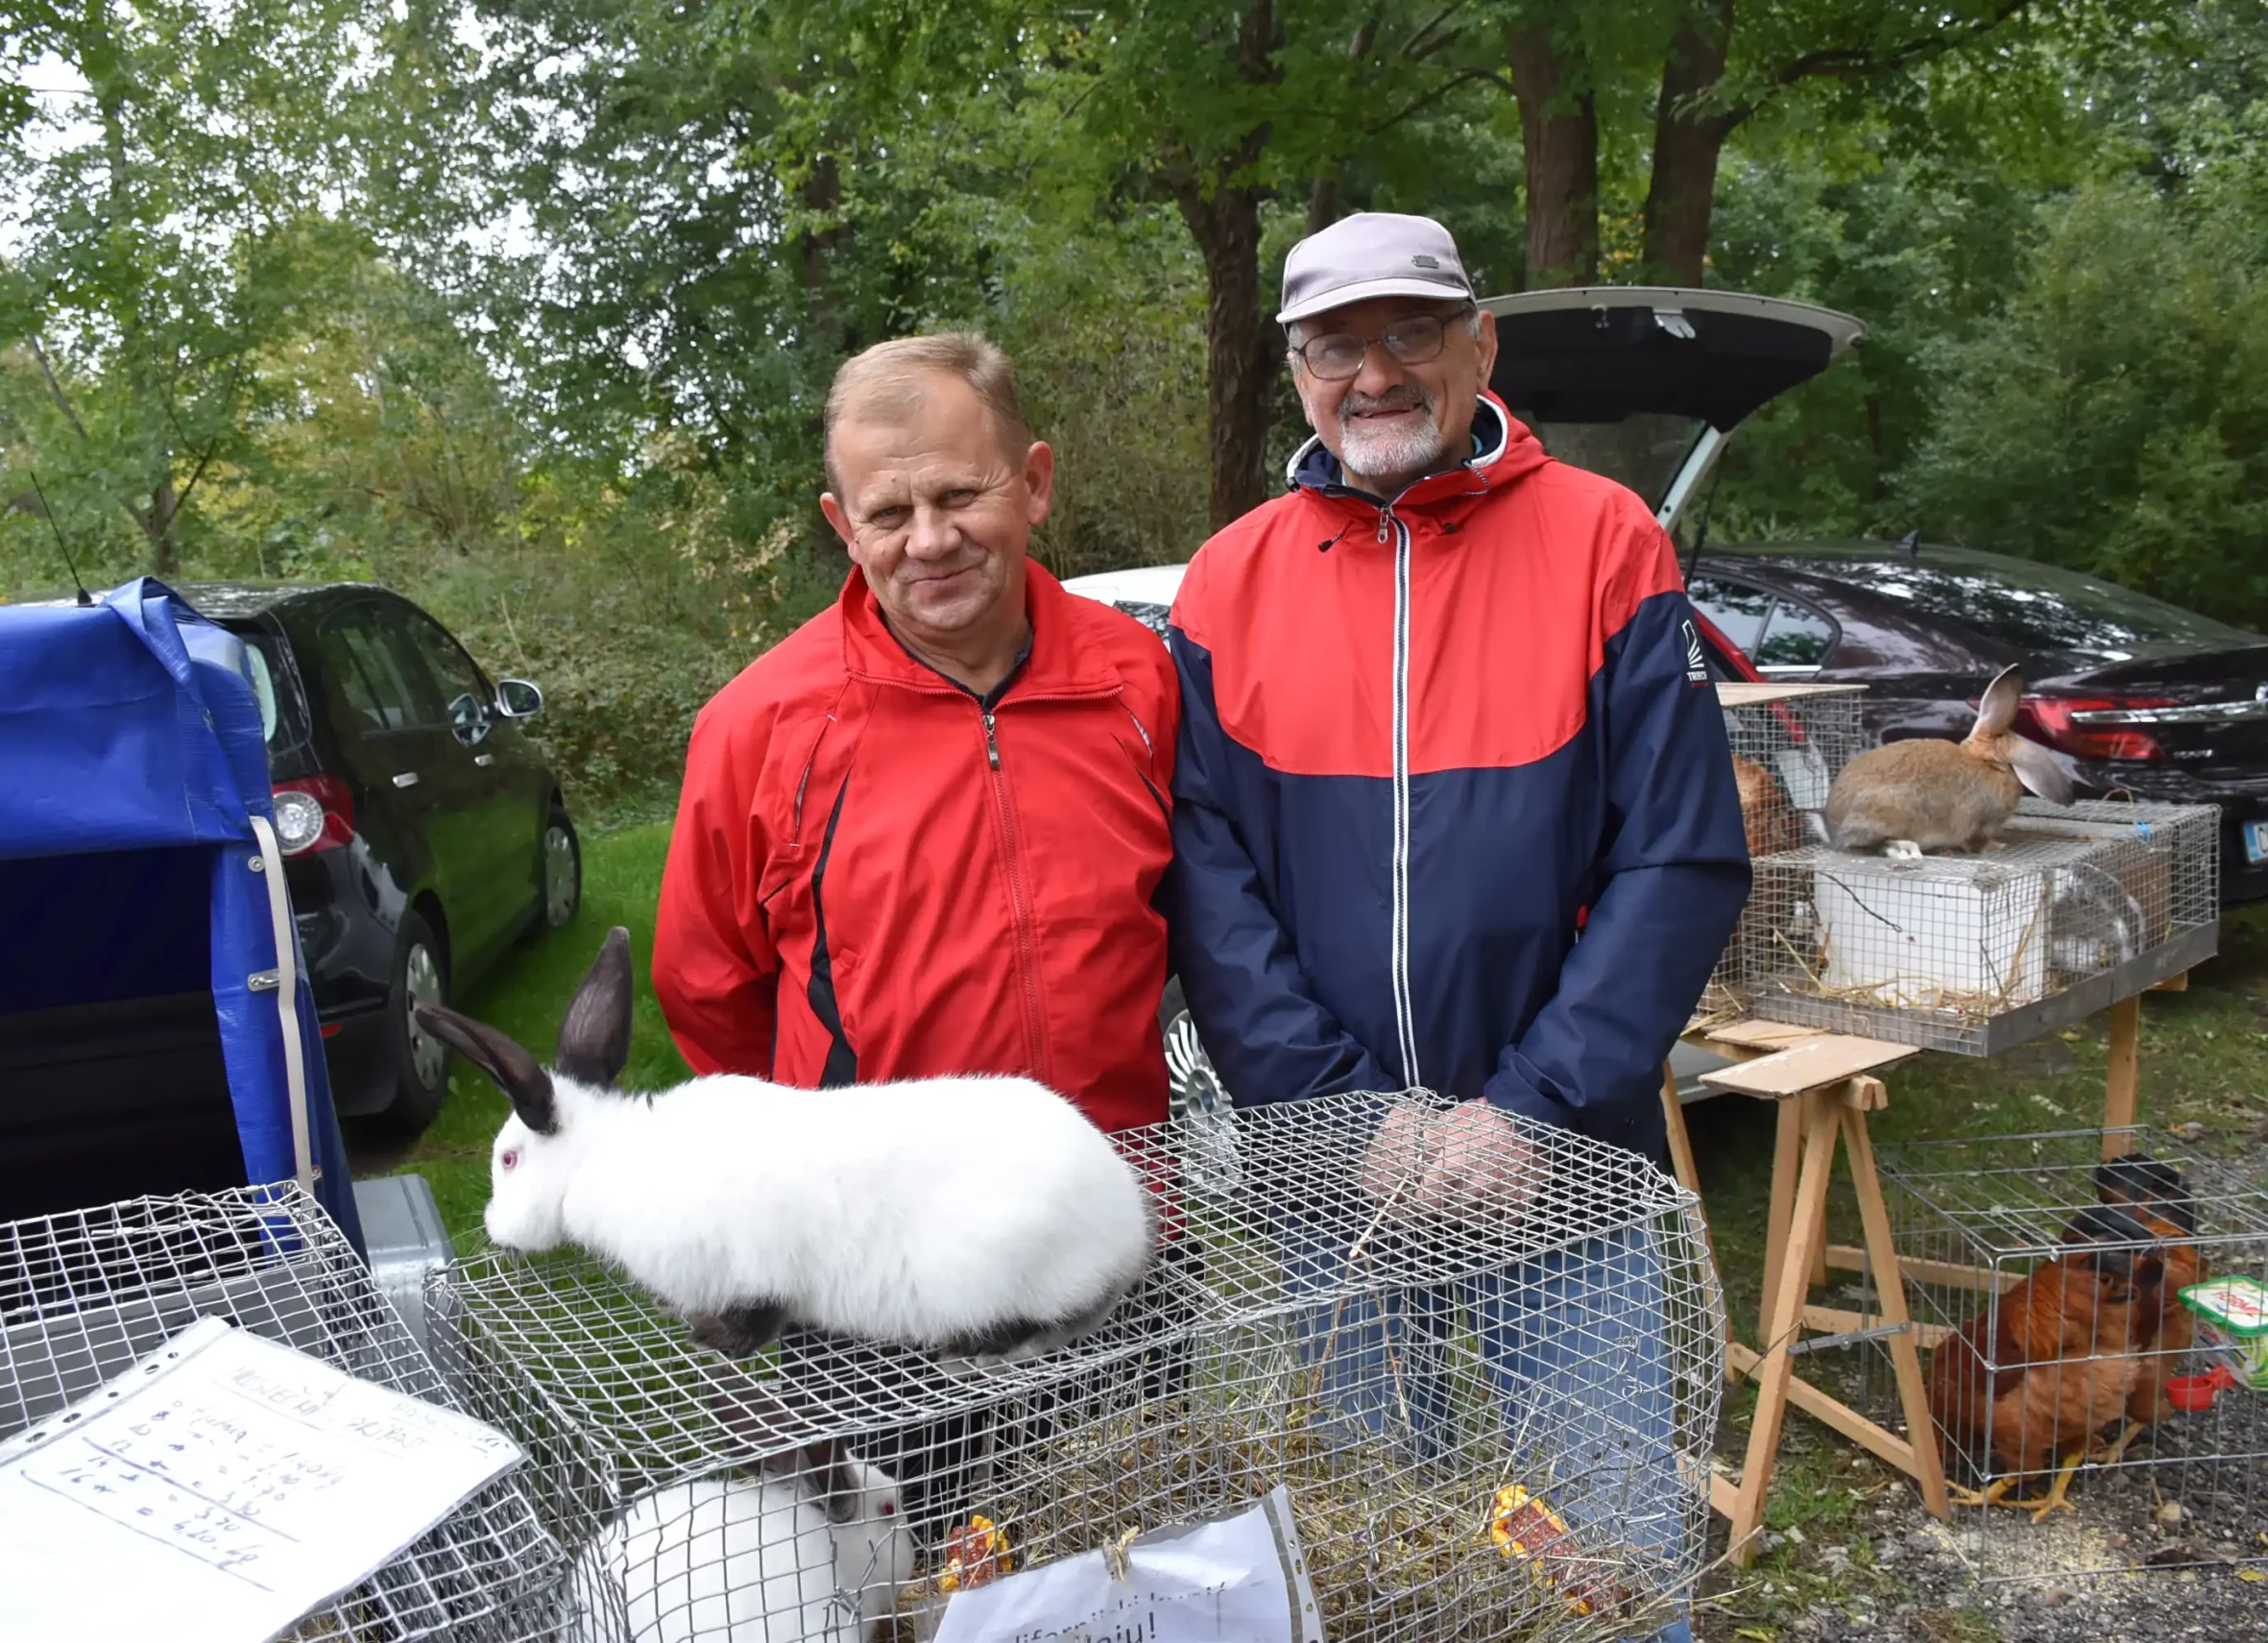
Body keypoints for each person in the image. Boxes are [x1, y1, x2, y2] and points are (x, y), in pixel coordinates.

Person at [1166, 212, 1749, 1641]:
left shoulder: (1607, 540)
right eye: (1332, 346)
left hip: (1562, 1167)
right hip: (1331, 1179)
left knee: (1608, 1548)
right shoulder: (1227, 581)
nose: (1373, 372)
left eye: (1408, 333)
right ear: (1296, 371)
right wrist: (1343, 1113)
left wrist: (1528, 1109)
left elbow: (1678, 857)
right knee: (1369, 1556)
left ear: (1480, 344)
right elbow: (1209, 881)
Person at [653, 330, 1183, 1537]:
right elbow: (708, 995)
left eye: (960, 493)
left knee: (1140, 1566)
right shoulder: (759, 724)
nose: (928, 539)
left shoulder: (1136, 680)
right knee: (911, 1591)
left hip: (1116, 1232)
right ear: (841, 524)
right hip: (876, 1279)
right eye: (888, 511)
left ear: (1034, 482)